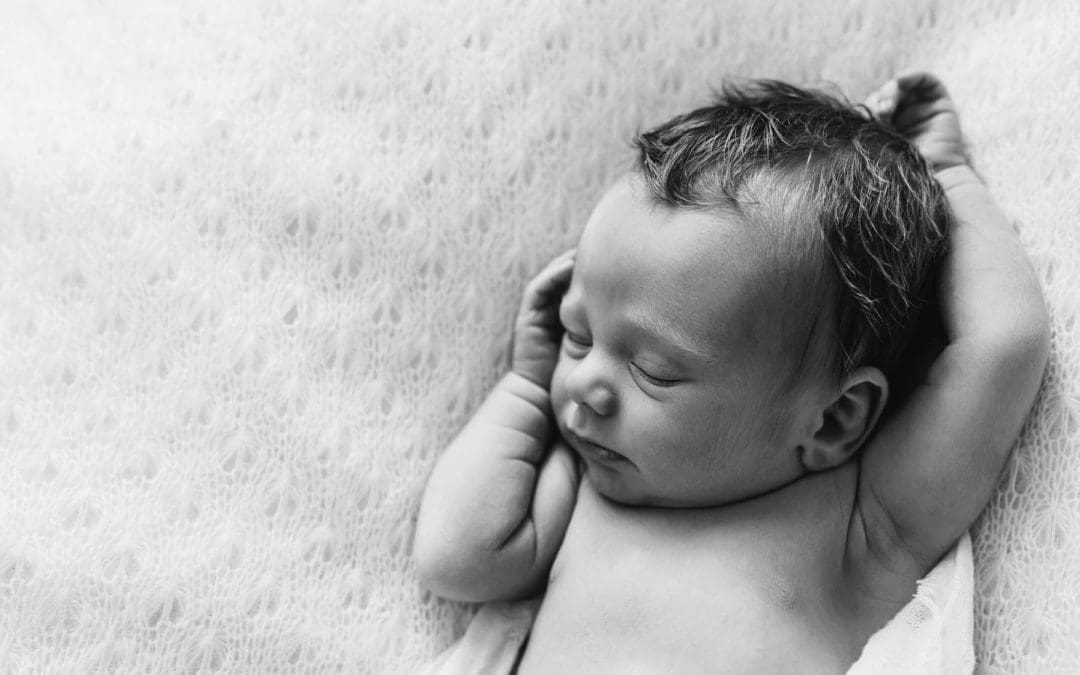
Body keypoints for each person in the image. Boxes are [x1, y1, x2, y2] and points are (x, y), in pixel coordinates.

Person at [413, 73, 1050, 673]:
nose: (583, 385)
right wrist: (523, 388)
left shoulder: (866, 522)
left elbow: (1003, 346)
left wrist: (948, 176)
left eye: (654, 372)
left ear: (834, 419)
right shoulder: (592, 486)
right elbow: (458, 559)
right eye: (577, 337)